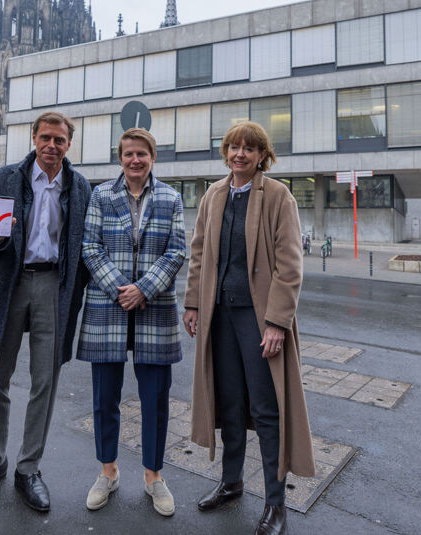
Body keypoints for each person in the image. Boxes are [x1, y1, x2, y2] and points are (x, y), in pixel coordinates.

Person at [183, 122, 315, 535]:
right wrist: (191, 303)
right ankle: (232, 481)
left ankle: (276, 504)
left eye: (249, 149)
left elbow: (290, 266)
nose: (239, 154)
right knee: (231, 405)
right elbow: (199, 253)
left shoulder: (277, 196)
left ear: (262, 156)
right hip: (219, 316)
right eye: (233, 147)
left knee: (266, 408)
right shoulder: (213, 195)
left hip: (258, 320)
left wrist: (278, 321)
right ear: (226, 152)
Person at [0, 111, 92, 513]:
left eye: (60, 140)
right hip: (8, 283)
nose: (51, 146)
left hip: (54, 287)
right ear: (33, 138)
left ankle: (28, 468)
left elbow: (84, 247)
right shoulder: (6, 178)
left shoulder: (80, 186)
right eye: (45, 138)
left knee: (45, 381)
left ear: (68, 145)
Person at [77, 128, 186, 516]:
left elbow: (176, 252)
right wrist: (121, 288)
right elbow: (90, 246)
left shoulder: (171, 198)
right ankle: (107, 471)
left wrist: (143, 290)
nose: (135, 160)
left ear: (152, 157)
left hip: (153, 309)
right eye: (128, 154)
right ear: (120, 158)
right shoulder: (101, 195)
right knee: (105, 397)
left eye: (142, 153)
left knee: (155, 399)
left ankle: (153, 476)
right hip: (108, 307)